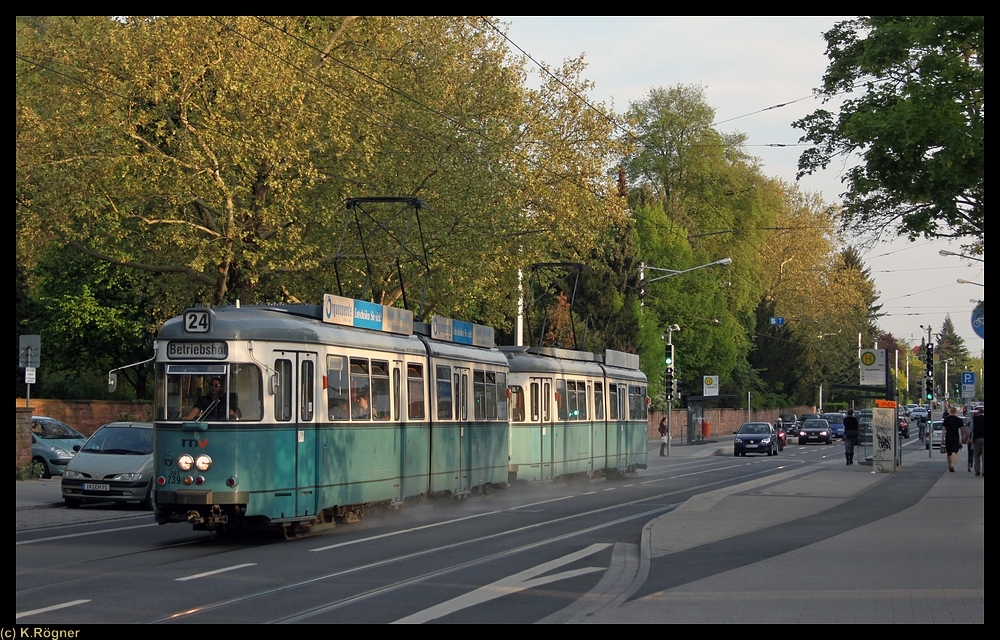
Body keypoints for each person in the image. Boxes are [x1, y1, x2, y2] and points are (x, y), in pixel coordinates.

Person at [942, 406, 964, 472]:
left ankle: (949, 465)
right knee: (954, 451)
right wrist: (963, 437)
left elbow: (943, 430)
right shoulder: (959, 420)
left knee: (948, 453)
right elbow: (962, 430)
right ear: (956, 412)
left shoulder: (946, 419)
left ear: (950, 412)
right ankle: (952, 465)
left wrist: (942, 439)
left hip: (948, 437)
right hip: (955, 437)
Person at [970, 407, 984, 477]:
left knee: (976, 455)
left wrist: (969, 437)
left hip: (977, 438)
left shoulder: (974, 419)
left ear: (978, 412)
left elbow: (971, 429)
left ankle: (977, 470)